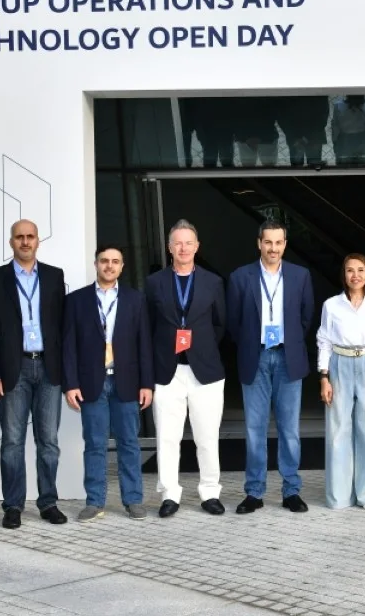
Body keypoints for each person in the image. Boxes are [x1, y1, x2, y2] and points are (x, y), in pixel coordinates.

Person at [0, 219, 67, 530]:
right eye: (19, 237)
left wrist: (67, 374)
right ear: (11, 242)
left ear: (38, 241)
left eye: (30, 236)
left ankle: (48, 503)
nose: (25, 242)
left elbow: (62, 328)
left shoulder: (55, 277)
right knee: (12, 441)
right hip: (12, 368)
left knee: (49, 441)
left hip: (48, 367)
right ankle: (13, 506)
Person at [227, 220, 316, 514]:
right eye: (268, 242)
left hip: (288, 357)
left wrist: (287, 341)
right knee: (255, 429)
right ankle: (254, 492)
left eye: (278, 243)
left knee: (290, 429)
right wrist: (254, 343)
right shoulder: (241, 277)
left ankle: (291, 491)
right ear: (259, 243)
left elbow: (306, 317)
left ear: (285, 245)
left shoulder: (300, 276)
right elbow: (234, 322)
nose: (273, 248)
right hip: (256, 356)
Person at [62, 246, 154, 521]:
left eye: (115, 262)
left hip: (126, 381)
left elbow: (144, 344)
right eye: (104, 261)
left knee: (129, 443)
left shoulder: (135, 300)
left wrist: (147, 384)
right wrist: (70, 384)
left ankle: (133, 500)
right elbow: (69, 346)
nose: (109, 266)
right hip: (92, 383)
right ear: (96, 264)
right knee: (95, 444)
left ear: (122, 267)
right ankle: (94, 501)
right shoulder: (76, 301)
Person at [145, 220, 227, 517]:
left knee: (207, 436)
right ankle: (170, 494)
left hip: (205, 371)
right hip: (167, 371)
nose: (183, 248)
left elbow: (220, 324)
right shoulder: (154, 282)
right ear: (170, 248)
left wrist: (198, 347)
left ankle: (209, 492)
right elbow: (149, 326)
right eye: (177, 243)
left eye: (188, 243)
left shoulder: (213, 282)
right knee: (167, 437)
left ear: (196, 247)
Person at [316, 254, 365, 510]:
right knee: (338, 429)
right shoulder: (332, 305)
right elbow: (325, 340)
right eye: (350, 270)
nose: (356, 275)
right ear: (344, 275)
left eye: (361, 270)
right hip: (340, 363)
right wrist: (324, 376)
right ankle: (339, 494)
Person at [331, 94, 365, 167]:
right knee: (363, 168)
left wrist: (335, 141)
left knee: (344, 167)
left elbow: (335, 128)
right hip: (362, 139)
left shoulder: (339, 106)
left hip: (344, 139)